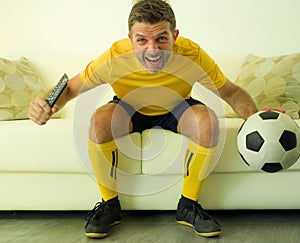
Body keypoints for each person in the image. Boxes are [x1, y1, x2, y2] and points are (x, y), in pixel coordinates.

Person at [28, 0, 258, 239]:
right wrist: (45, 104)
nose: (152, 49)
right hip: (130, 107)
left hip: (176, 106)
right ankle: (110, 206)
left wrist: (255, 117)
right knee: (99, 121)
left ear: (175, 35)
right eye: (142, 40)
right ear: (130, 39)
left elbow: (231, 93)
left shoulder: (192, 54)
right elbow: (70, 89)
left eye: (161, 38)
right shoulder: (113, 57)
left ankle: (188, 206)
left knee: (208, 121)